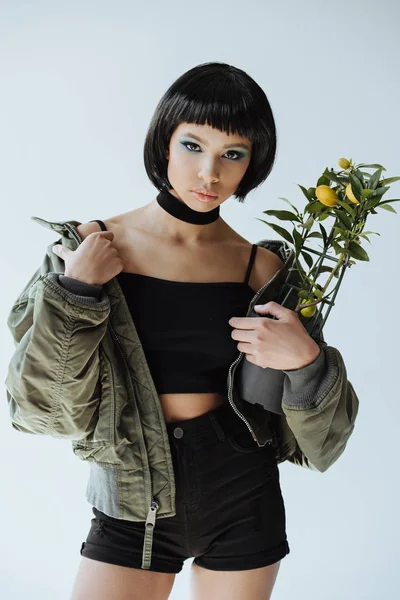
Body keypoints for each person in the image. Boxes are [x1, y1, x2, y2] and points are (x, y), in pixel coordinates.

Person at [5, 62, 359, 600]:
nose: (209, 174)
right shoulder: (90, 248)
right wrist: (77, 293)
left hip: (244, 493)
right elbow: (40, 412)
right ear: (163, 143)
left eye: (232, 155)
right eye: (193, 146)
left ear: (252, 164)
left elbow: (324, 444)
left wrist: (307, 362)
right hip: (130, 495)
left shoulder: (263, 270)